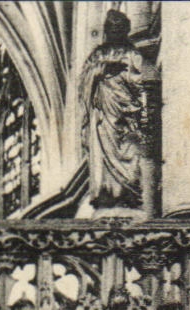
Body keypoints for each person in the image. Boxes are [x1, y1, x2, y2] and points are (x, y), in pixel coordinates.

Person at [78, 10, 147, 212]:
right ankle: (107, 193)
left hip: (127, 114)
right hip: (103, 114)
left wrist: (125, 75)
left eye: (120, 29)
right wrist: (102, 70)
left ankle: (129, 193)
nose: (116, 32)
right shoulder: (97, 55)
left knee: (130, 151)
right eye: (112, 29)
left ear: (125, 30)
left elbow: (140, 81)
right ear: (107, 31)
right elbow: (84, 81)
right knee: (103, 150)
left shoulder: (133, 54)